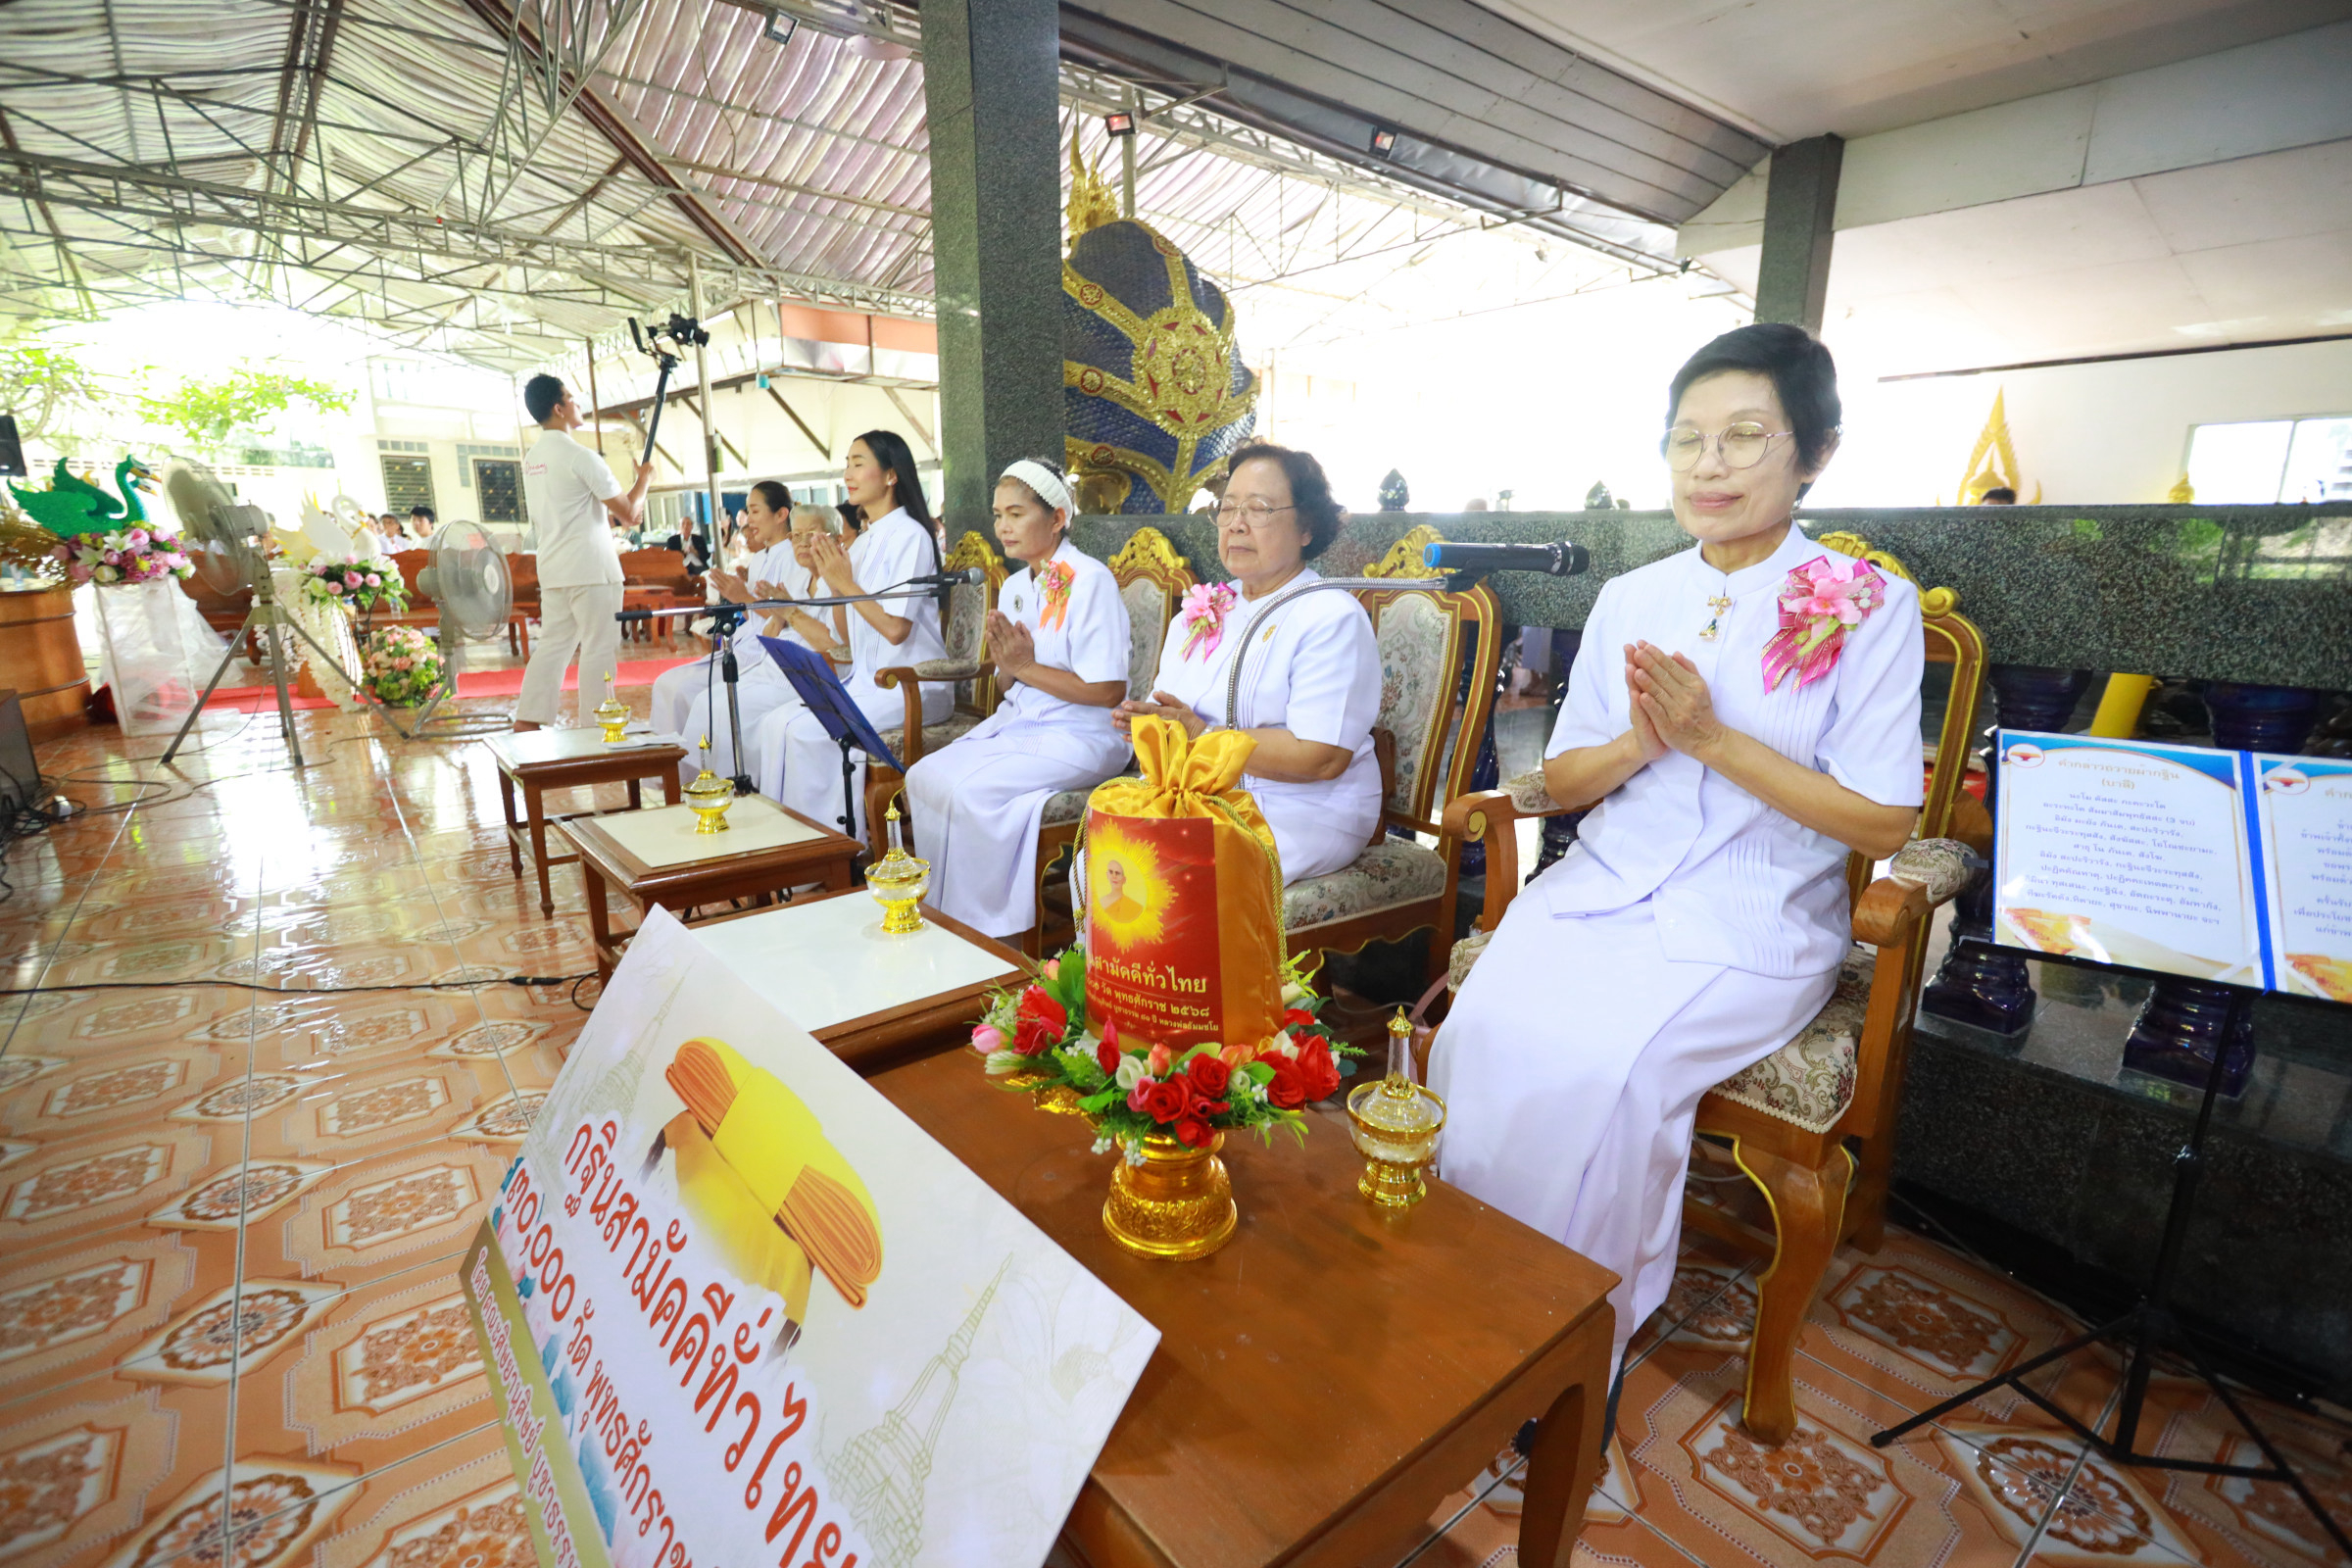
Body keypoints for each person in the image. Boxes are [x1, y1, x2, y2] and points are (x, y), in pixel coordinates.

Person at [1427, 323, 1925, 1376]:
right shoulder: (1631, 598)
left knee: (1608, 1076)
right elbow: (1563, 783)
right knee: (1481, 1032)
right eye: (1688, 437)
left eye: (1746, 435)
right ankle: (1459, 1289)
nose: (1710, 463)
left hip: (1752, 921)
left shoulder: (1870, 607)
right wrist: (1638, 743)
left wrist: (1711, 742)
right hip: (1604, 888)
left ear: (1815, 452)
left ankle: (1566, 1346)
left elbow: (1885, 823)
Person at [1113, 441, 1380, 884]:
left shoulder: (1330, 614)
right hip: (1204, 794)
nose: (1236, 524)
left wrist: (1201, 736)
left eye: (1258, 509)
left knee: (1170, 876)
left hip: (1306, 809)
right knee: (1103, 855)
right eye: (1228, 507)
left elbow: (1321, 757)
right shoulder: (1204, 607)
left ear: (1306, 528)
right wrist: (1148, 724)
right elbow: (1167, 711)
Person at [901, 458, 1132, 940]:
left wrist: (1024, 667)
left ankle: (989, 934)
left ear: (1057, 519)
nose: (1003, 527)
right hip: (1023, 722)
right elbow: (1013, 687)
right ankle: (942, 915)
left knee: (971, 793)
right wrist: (1009, 669)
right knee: (923, 775)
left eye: (1016, 513)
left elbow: (1109, 691)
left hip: (1083, 733)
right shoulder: (1016, 586)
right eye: (997, 514)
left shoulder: (1090, 580)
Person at [751, 431, 949, 836]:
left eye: (858, 463)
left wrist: (847, 584)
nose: (847, 473)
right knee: (775, 723)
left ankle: (834, 848)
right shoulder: (862, 543)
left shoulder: (910, 536)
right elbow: (848, 636)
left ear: (891, 475)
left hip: (910, 686)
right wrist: (835, 583)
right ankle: (790, 844)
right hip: (866, 678)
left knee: (808, 732)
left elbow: (895, 631)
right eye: (846, 463)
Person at [514, 371, 654, 731]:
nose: (577, 403)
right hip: (592, 569)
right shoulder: (581, 456)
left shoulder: (532, 459)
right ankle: (598, 728)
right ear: (559, 408)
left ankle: (528, 719)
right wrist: (645, 479)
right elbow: (630, 515)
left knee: (553, 647)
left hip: (555, 567)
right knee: (598, 648)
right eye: (571, 397)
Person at [668, 499, 844, 784]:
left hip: (806, 674)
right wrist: (777, 614)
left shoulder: (837, 582)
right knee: (707, 701)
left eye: (809, 535)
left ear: (834, 540)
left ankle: (741, 785)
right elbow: (771, 635)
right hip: (774, 665)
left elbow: (833, 643)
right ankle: (705, 784)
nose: (800, 543)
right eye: (795, 536)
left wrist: (788, 611)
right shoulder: (797, 578)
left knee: (731, 709)